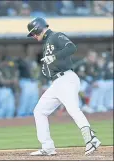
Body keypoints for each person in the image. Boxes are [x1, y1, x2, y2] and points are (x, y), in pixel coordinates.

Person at [26, 17, 101, 156]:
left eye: (34, 33)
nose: (34, 36)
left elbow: (72, 47)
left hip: (66, 78)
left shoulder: (55, 36)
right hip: (57, 82)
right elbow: (53, 63)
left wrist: (54, 58)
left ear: (38, 28)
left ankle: (91, 139)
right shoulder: (47, 42)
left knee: (73, 109)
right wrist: (47, 69)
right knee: (39, 111)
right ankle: (47, 147)